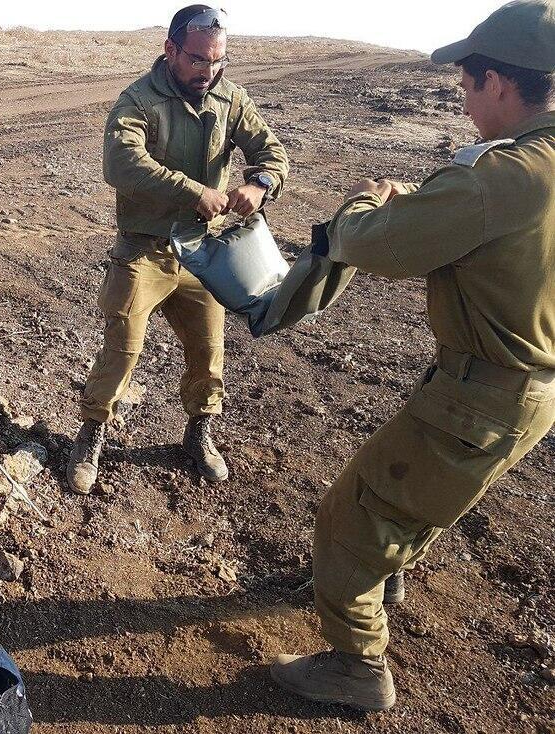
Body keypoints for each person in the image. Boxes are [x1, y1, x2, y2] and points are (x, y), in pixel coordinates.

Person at [271, 0, 555, 711]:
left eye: (467, 84)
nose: (462, 99)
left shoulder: (503, 175)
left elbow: (376, 243)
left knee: (348, 517)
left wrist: (365, 203)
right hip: (525, 393)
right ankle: (383, 573)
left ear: (499, 84)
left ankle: (357, 666)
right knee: (412, 501)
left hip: (480, 396)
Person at [67, 5, 289, 494]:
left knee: (209, 351)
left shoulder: (230, 98)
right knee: (123, 347)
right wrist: (194, 192)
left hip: (203, 253)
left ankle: (198, 433)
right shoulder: (138, 100)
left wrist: (260, 185)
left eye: (218, 60)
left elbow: (272, 152)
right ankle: (92, 433)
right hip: (145, 250)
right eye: (198, 59)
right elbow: (122, 163)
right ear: (170, 50)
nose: (208, 71)